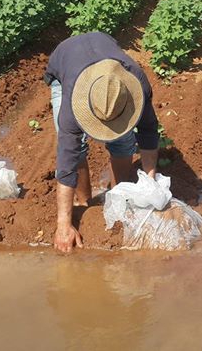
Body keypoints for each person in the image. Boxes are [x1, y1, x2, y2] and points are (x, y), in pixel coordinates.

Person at [43, 32, 159, 253]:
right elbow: (66, 163)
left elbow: (148, 131)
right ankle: (85, 201)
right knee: (75, 150)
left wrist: (150, 185)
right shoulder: (70, 109)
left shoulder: (136, 84)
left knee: (124, 141)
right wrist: (63, 225)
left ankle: (119, 198)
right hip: (66, 70)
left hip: (103, 49)